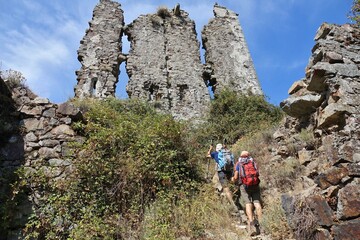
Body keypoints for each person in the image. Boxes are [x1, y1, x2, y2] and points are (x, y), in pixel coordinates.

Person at [232, 151, 262, 236]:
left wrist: (233, 180)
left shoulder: (239, 163)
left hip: (244, 186)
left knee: (248, 204)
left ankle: (252, 224)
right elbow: (257, 173)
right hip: (255, 185)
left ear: (241, 156)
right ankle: (262, 224)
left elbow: (236, 177)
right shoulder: (252, 161)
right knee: (257, 203)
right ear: (248, 155)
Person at [207, 143, 238, 212]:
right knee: (230, 184)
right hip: (230, 171)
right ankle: (232, 195)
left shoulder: (215, 153)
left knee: (225, 188)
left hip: (221, 172)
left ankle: (232, 204)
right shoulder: (227, 152)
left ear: (216, 148)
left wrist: (210, 148)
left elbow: (207, 155)